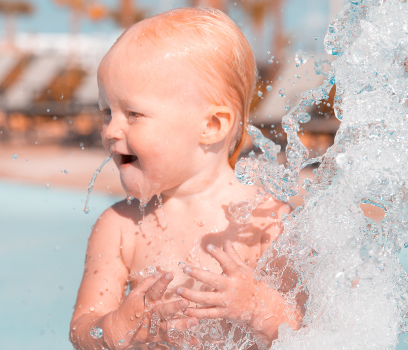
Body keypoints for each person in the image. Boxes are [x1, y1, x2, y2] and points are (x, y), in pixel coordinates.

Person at [69, 7, 299, 350]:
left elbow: (307, 330)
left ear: (211, 126)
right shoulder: (120, 227)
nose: (111, 131)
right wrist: (115, 328)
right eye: (107, 112)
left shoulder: (266, 224)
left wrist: (257, 306)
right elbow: (82, 328)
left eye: (133, 113)